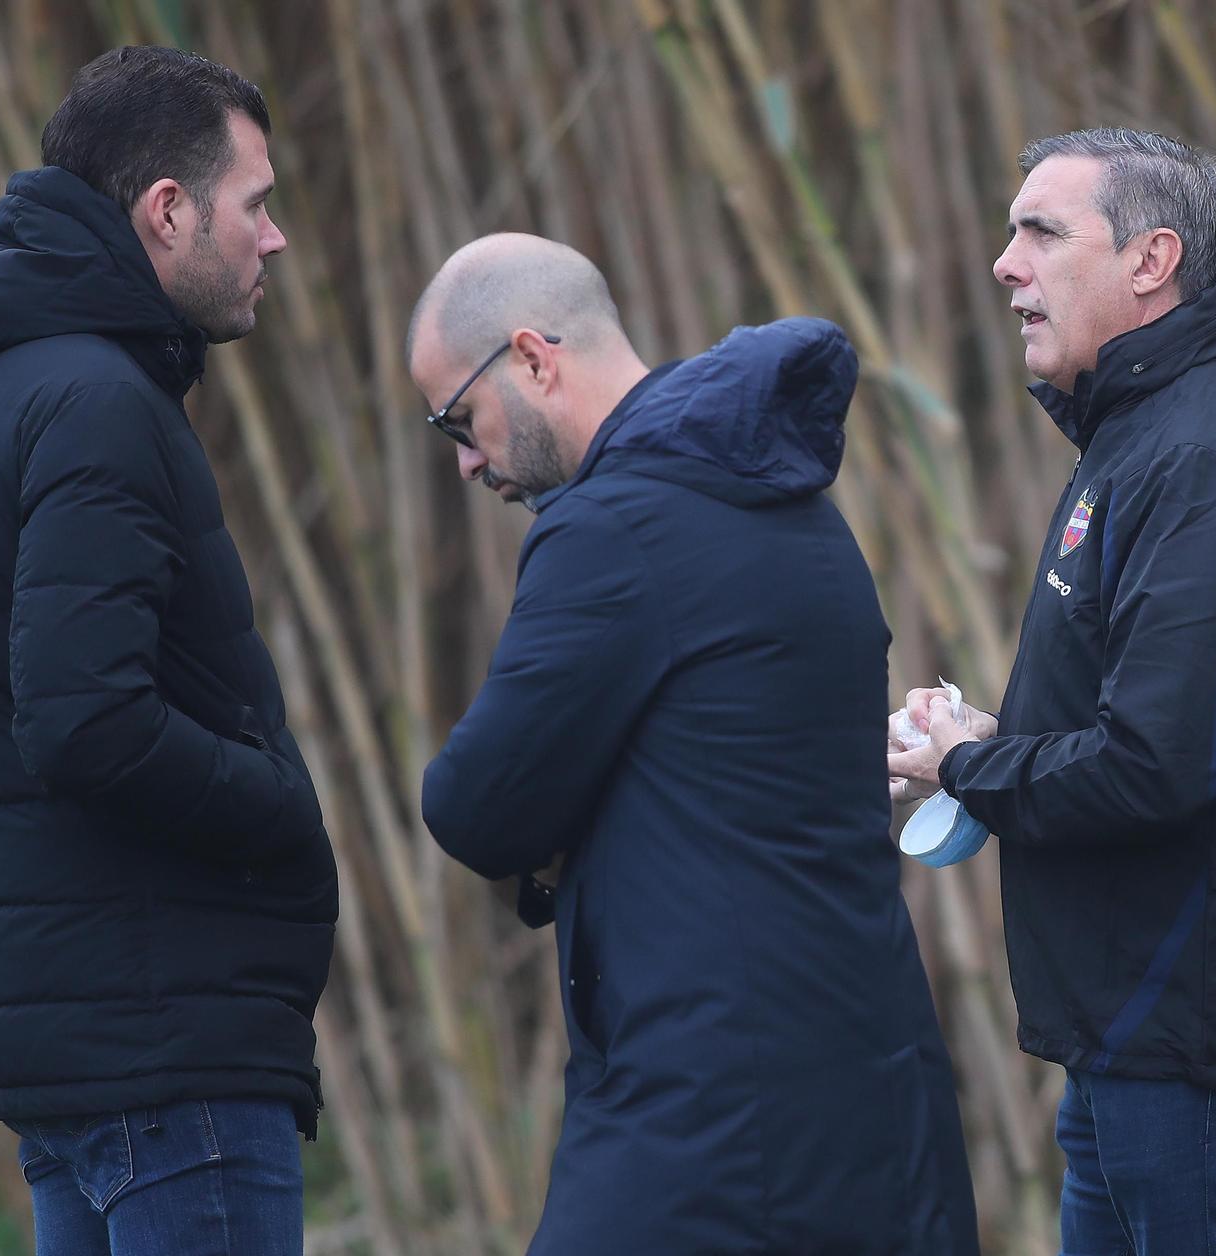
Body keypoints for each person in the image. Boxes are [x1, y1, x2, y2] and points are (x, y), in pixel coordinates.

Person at [410, 233, 979, 1255]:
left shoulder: (613, 528)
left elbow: (472, 804)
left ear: (533, 358)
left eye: (459, 417)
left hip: (710, 1128)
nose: (463, 458)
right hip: (870, 1094)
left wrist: (556, 826)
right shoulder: (793, 504)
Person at [888, 128, 1216, 1253]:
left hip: (1198, 1039)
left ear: (1149, 260)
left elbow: (1157, 763)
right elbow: (1172, 711)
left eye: (1039, 232)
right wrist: (992, 736)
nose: (1002, 264)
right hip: (1141, 1031)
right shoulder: (1159, 427)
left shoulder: (1206, 452)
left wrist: (968, 766)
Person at [0, 46, 334, 1255]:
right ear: (165, 209)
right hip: (167, 1046)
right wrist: (279, 808)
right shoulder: (96, 400)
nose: (275, 238)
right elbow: (83, 717)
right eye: (254, 203)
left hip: (77, 1052)